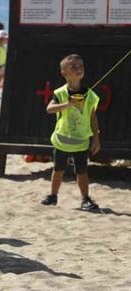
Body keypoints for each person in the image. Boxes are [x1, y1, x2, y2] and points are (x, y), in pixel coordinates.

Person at [42, 54, 100, 212]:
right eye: (74, 66)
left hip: (81, 141)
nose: (79, 68)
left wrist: (96, 138)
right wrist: (68, 104)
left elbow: (93, 117)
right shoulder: (60, 93)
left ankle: (86, 199)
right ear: (64, 73)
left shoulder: (90, 94)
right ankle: (53, 196)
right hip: (61, 140)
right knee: (58, 169)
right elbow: (49, 109)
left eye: (81, 66)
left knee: (82, 171)